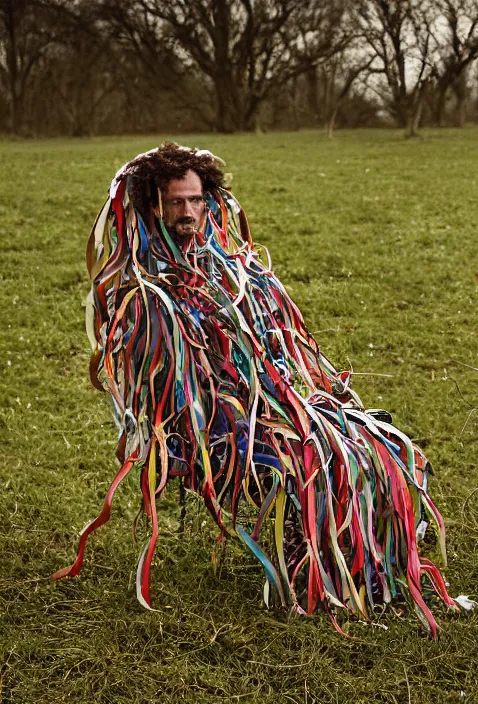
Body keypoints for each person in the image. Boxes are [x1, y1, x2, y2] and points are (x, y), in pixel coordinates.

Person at [52, 142, 457, 636]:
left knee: (380, 445)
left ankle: (374, 572)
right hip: (210, 429)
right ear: (153, 206)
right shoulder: (138, 293)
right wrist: (239, 409)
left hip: (275, 403)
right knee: (307, 460)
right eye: (175, 201)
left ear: (209, 201)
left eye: (195, 200)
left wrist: (300, 399)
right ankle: (312, 585)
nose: (187, 212)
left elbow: (276, 350)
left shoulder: (232, 269)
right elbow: (166, 391)